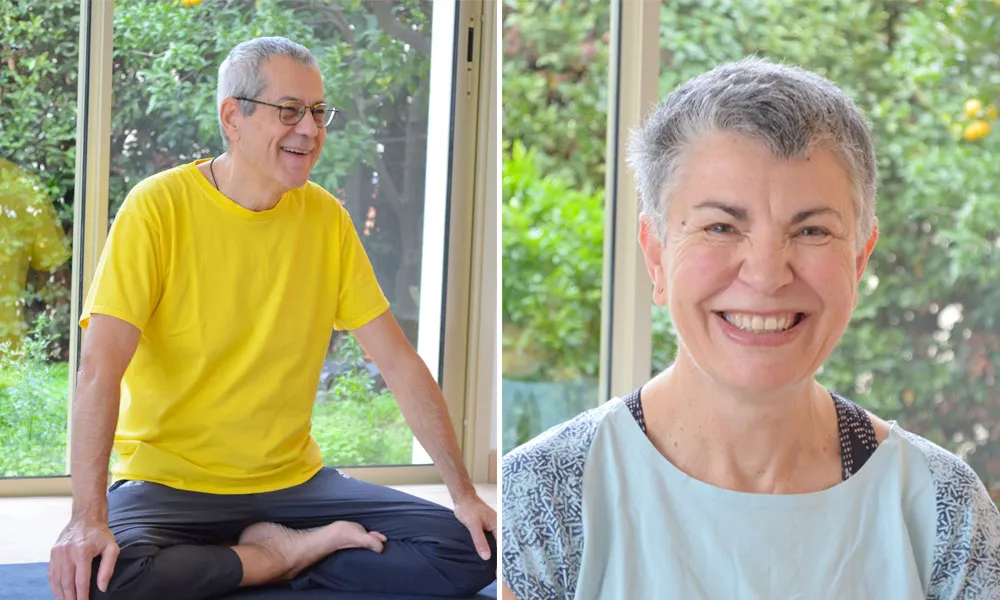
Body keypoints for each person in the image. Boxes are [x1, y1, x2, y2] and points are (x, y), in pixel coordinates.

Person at [501, 58, 1000, 599]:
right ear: (656, 257)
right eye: (721, 226)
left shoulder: (941, 509)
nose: (766, 275)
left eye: (811, 230)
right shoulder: (544, 496)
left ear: (859, 259)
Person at [47, 37, 496, 600]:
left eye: (317, 112)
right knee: (101, 577)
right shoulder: (156, 207)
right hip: (170, 483)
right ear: (233, 116)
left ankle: (257, 556)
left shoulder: (326, 219)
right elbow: (99, 370)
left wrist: (463, 495)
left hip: (293, 486)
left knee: (473, 548)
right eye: (289, 111)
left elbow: (400, 365)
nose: (309, 130)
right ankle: (282, 555)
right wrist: (87, 516)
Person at [0, 157, 71, 349]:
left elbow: (53, 270)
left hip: (6, 347)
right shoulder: (21, 183)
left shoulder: (21, 185)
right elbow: (52, 272)